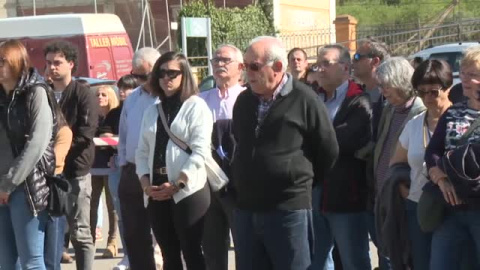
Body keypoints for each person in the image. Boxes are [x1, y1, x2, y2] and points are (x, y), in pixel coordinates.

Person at [232, 36, 339, 270]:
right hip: (247, 209)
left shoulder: (304, 99)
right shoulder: (243, 101)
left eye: (253, 66)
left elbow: (328, 150)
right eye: (243, 65)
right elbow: (239, 142)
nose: (246, 73)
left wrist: (296, 180)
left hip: (288, 210)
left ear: (278, 67)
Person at [136, 51, 212, 270]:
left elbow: (200, 151)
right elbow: (141, 152)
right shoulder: (152, 110)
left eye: (172, 73)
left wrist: (178, 183)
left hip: (188, 189)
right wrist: (145, 186)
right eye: (161, 73)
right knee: (169, 254)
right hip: (156, 188)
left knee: (192, 252)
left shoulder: (196, 106)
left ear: (184, 75)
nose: (166, 78)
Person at [312, 44, 372, 270]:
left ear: (345, 68)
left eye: (326, 63)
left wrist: (312, 138)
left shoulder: (359, 100)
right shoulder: (312, 97)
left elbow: (345, 142)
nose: (320, 68)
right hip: (315, 191)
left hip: (346, 194)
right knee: (317, 259)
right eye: (318, 64)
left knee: (353, 260)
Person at [388, 59, 453, 269]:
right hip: (419, 206)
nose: (427, 98)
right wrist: (404, 190)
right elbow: (396, 163)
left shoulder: (462, 120)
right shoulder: (414, 124)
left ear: (448, 87)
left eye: (433, 91)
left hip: (456, 209)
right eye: (421, 92)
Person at [0, 40, 55, 270]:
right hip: (2, 185)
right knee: (5, 262)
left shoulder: (36, 92)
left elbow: (37, 142)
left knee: (32, 260)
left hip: (26, 186)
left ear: (16, 63)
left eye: (2, 61)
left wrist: (9, 183)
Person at [44, 40, 98, 270]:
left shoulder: (83, 93)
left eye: (57, 62)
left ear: (71, 64)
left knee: (80, 233)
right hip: (47, 173)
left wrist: (58, 153)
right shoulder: (43, 93)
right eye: (48, 63)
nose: (52, 68)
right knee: (51, 231)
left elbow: (85, 134)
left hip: (76, 171)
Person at [425, 46, 480, 270]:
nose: (466, 79)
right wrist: (440, 178)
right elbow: (433, 151)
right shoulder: (453, 112)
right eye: (463, 73)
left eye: (474, 74)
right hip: (450, 209)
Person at [199, 44, 245, 270]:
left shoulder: (248, 98)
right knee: (212, 245)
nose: (218, 64)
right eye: (215, 60)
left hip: (239, 184)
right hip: (207, 182)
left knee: (244, 244)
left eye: (225, 60)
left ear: (240, 66)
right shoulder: (200, 99)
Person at [117, 47, 160, 270]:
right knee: (134, 235)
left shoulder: (169, 98)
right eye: (136, 75)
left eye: (145, 75)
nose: (141, 81)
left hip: (160, 173)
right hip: (132, 173)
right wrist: (124, 163)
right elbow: (123, 134)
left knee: (165, 235)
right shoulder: (132, 100)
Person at [102, 74, 139, 270]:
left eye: (127, 88)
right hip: (117, 164)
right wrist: (116, 142)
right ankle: (128, 255)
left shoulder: (142, 108)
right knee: (121, 212)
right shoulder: (115, 112)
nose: (123, 92)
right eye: (120, 88)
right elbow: (105, 134)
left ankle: (154, 252)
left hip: (139, 165)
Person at [90, 85, 120, 258]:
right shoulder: (91, 116)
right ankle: (91, 241)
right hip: (93, 166)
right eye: (97, 94)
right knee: (91, 206)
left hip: (111, 165)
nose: (100, 97)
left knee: (112, 206)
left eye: (104, 94)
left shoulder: (115, 115)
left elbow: (120, 141)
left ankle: (112, 242)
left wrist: (105, 141)